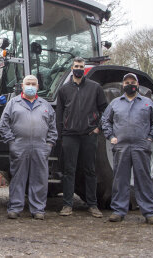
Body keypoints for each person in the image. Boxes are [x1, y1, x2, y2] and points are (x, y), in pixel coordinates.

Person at [101, 73, 153, 225]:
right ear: (123, 85)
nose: (130, 84)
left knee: (144, 179)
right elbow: (105, 121)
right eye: (127, 82)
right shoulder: (115, 103)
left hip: (141, 146)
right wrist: (110, 137)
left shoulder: (147, 103)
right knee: (120, 179)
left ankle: (150, 213)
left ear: (137, 84)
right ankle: (118, 211)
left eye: (132, 82)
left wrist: (150, 138)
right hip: (121, 147)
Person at [0, 75, 57, 220]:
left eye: (33, 84)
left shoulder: (45, 105)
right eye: (28, 83)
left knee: (39, 178)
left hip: (40, 146)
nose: (30, 86)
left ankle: (38, 209)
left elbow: (53, 127)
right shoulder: (13, 103)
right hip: (20, 145)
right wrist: (11, 142)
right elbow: (3, 125)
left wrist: (49, 145)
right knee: (18, 178)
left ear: (38, 87)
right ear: (22, 86)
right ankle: (15, 207)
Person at [56, 57, 107, 218]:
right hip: (70, 135)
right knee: (69, 171)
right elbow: (59, 114)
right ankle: (67, 205)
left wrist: (98, 128)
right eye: (76, 66)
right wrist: (62, 133)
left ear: (85, 69)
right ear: (72, 68)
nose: (79, 69)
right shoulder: (64, 90)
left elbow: (105, 110)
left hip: (88, 134)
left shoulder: (95, 88)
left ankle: (92, 205)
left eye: (81, 66)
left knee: (90, 170)